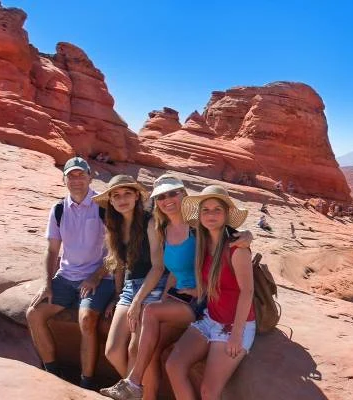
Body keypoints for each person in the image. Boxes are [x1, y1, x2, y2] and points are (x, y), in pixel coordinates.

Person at [99, 176, 253, 400]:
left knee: (149, 317)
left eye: (173, 193)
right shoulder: (162, 229)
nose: (167, 199)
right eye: (161, 196)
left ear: (183, 195)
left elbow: (226, 238)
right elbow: (169, 270)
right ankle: (138, 389)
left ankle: (134, 384)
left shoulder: (197, 227)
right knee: (148, 344)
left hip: (201, 304)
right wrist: (164, 297)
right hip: (183, 298)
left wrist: (248, 235)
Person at [26, 157, 115, 390]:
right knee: (33, 314)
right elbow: (52, 249)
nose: (76, 180)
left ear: (90, 177)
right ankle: (53, 372)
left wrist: (96, 276)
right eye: (71, 175)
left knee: (86, 320)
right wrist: (47, 283)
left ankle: (86, 383)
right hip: (66, 277)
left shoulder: (104, 206)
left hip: (100, 277)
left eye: (81, 175)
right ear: (64, 179)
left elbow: (117, 250)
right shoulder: (58, 209)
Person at [166, 185, 255, 400]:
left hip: (233, 325)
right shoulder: (204, 244)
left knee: (209, 391)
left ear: (226, 214)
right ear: (200, 215)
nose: (211, 215)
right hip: (210, 319)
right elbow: (215, 282)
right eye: (205, 210)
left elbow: (247, 292)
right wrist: (196, 291)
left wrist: (236, 334)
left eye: (217, 210)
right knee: (173, 366)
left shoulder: (237, 248)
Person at [92, 175, 169, 393]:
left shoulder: (149, 222)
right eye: (116, 196)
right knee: (113, 350)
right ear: (111, 202)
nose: (121, 199)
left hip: (154, 285)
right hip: (129, 288)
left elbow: (158, 267)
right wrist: (118, 296)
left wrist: (137, 301)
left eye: (127, 193)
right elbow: (119, 264)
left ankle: (133, 392)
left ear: (137, 196)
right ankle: (134, 391)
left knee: (135, 346)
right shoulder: (114, 226)